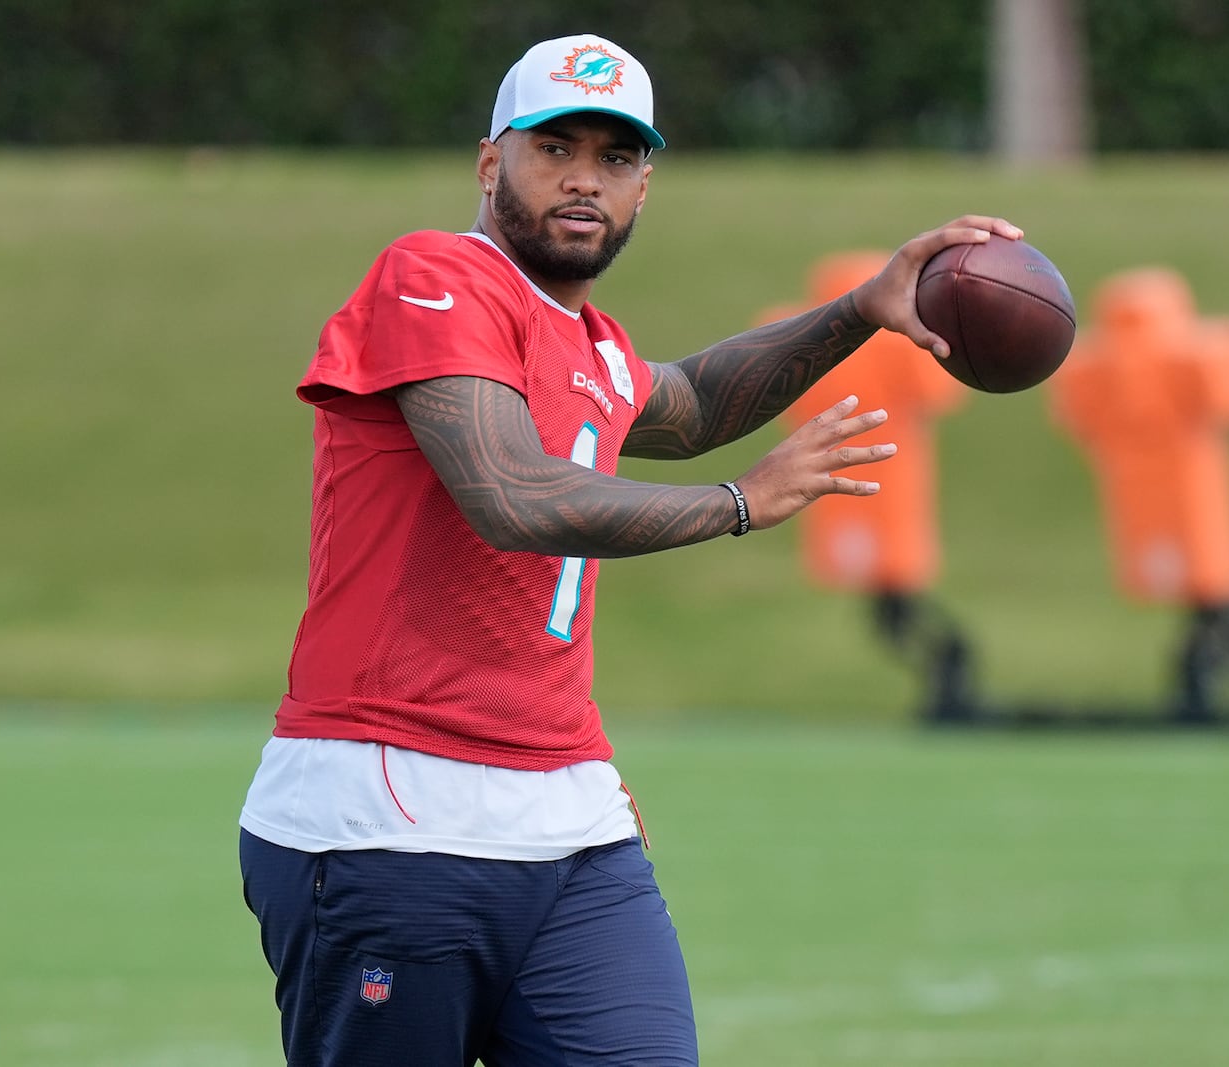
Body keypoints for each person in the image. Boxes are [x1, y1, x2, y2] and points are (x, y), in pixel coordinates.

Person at [238, 31, 1024, 1067]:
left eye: (616, 158)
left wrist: (859, 310)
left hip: (567, 818)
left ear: (645, 185)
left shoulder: (592, 341)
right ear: (489, 163)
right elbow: (509, 492)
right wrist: (738, 502)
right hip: (392, 806)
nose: (584, 179)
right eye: (554, 147)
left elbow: (688, 400)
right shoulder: (432, 276)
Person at [766, 252, 977, 722]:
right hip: (893, 480)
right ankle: (951, 677)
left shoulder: (796, 334)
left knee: (888, 602)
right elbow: (943, 390)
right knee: (895, 593)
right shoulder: (902, 342)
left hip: (830, 483)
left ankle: (950, 675)